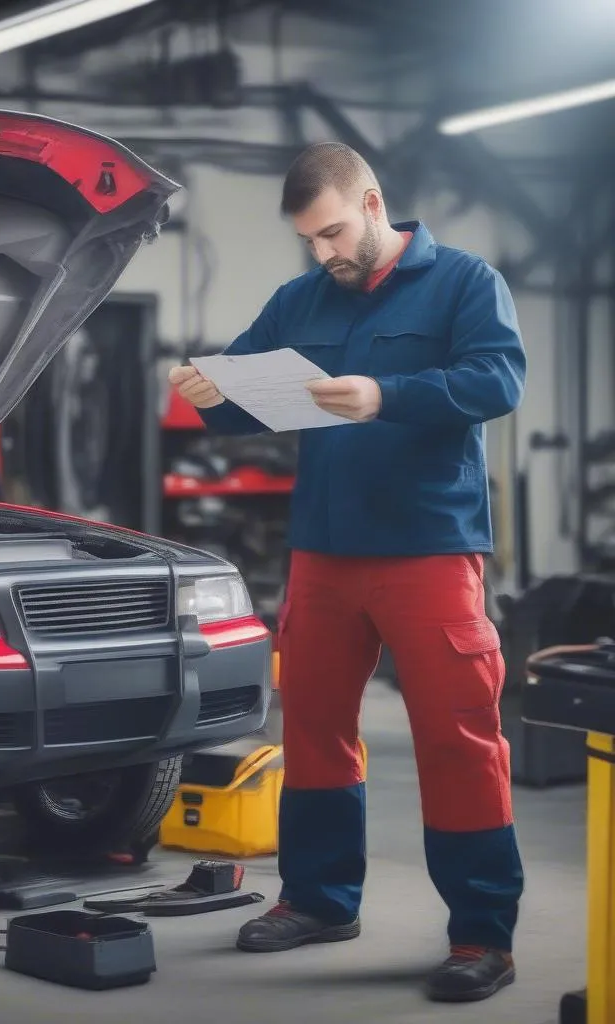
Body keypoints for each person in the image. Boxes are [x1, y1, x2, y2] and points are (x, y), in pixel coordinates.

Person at [169, 142, 526, 1005]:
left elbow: (499, 378)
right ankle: (320, 901)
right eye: (309, 240)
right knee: (315, 730)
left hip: (430, 548)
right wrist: (206, 393)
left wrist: (386, 395)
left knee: (457, 736)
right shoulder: (301, 298)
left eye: (331, 232)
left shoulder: (465, 282)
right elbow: (245, 387)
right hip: (324, 552)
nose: (323, 253)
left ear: (372, 204)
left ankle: (482, 934)